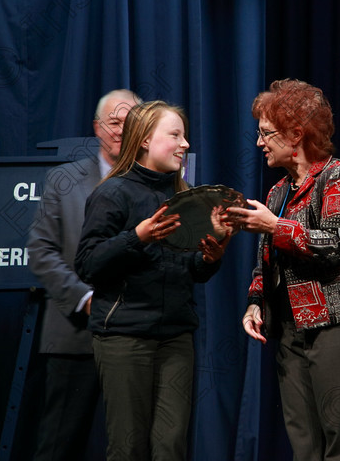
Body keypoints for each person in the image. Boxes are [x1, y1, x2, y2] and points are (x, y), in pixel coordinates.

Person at [226, 79, 340, 460]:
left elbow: (335, 245)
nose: (259, 142)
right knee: (303, 440)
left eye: (267, 133)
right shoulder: (277, 193)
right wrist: (255, 302)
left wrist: (274, 227)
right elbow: (266, 261)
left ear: (296, 134)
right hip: (290, 328)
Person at [75, 100, 232, 461]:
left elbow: (187, 268)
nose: (185, 144)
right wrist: (138, 237)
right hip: (124, 338)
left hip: (175, 338)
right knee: (128, 448)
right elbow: (87, 265)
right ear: (145, 140)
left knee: (170, 447)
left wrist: (210, 257)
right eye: (175, 135)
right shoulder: (113, 193)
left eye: (185, 136)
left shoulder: (182, 196)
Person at [28, 88, 141, 460]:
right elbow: (41, 252)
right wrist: (84, 298)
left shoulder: (157, 184)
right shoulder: (63, 180)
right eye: (114, 123)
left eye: (131, 123)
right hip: (74, 336)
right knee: (59, 445)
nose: (122, 131)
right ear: (97, 128)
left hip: (139, 338)